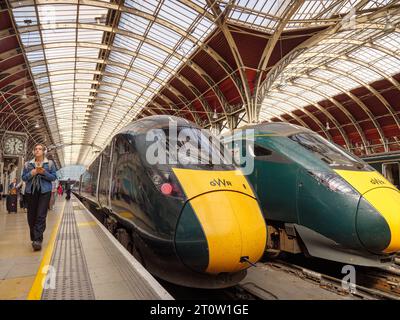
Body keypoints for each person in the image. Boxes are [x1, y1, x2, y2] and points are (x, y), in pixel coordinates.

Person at [22, 143, 57, 251]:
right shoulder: (28, 164)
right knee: (31, 217)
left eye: (40, 149)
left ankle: (37, 240)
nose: (37, 150)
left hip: (44, 192)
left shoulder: (49, 164)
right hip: (31, 192)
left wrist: (44, 172)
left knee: (41, 216)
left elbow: (54, 177)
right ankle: (35, 238)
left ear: (43, 151)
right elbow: (24, 178)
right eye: (36, 149)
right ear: (33, 152)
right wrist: (31, 173)